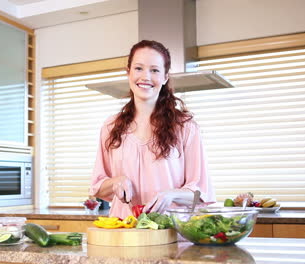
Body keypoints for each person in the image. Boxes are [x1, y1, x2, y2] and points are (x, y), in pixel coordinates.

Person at [89, 40, 215, 219]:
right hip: (124, 232)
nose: (145, 77)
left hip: (171, 233)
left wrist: (172, 194)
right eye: (138, 68)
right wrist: (116, 182)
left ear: (165, 77)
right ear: (128, 73)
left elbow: (201, 194)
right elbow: (98, 187)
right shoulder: (111, 127)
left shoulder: (185, 127)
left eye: (154, 70)